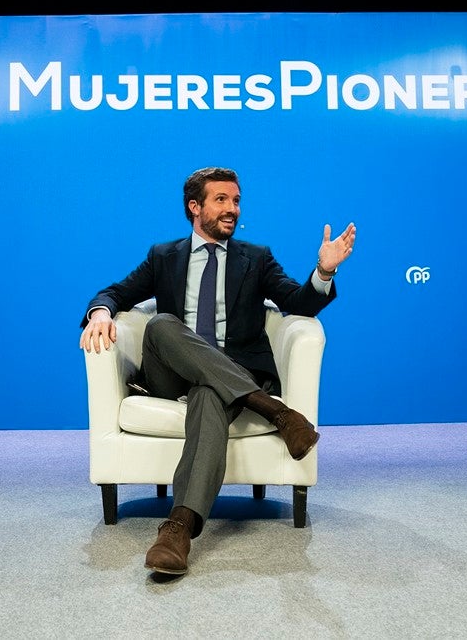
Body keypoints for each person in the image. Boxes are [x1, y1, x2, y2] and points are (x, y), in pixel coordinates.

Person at [79, 166, 356, 575]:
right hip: (171, 375)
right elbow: (116, 292)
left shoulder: (255, 258)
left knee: (210, 393)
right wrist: (101, 311)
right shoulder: (163, 256)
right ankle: (275, 412)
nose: (232, 209)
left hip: (227, 376)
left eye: (236, 201)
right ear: (195, 207)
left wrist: (325, 272)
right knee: (160, 324)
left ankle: (177, 529)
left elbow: (298, 304)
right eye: (221, 200)